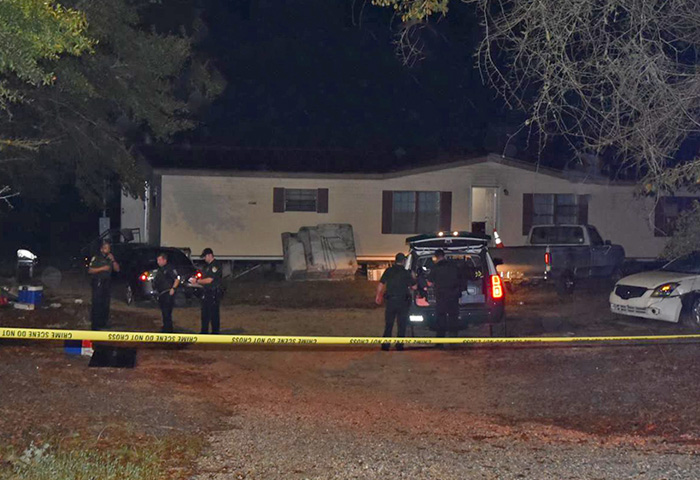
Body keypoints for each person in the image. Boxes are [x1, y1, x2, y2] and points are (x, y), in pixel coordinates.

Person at [375, 253, 416, 351]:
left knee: (389, 324)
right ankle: (399, 345)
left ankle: (385, 345)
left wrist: (378, 296)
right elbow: (414, 287)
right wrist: (413, 277)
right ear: (403, 261)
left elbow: (381, 284)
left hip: (391, 301)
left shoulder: (388, 271)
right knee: (401, 324)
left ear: (395, 260)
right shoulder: (406, 273)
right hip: (403, 302)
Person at [427, 249, 461, 347]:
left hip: (441, 297)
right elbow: (460, 278)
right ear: (444, 255)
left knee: (441, 319)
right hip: (453, 296)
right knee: (453, 318)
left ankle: (440, 342)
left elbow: (429, 283)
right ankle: (453, 342)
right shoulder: (453, 266)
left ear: (436, 257)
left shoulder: (435, 267)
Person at [88, 240, 120, 330]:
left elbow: (117, 269)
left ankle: (103, 323)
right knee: (97, 303)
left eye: (109, 248)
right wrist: (102, 268)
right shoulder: (97, 258)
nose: (107, 250)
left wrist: (113, 260)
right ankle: (95, 325)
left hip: (107, 282)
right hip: (98, 282)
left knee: (105, 303)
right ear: (101, 249)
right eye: (106, 248)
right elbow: (90, 270)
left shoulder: (110, 258)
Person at [191, 248, 223, 334]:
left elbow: (209, 280)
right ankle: (204, 331)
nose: (204, 259)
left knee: (213, 314)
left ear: (209, 255)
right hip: (207, 292)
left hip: (213, 293)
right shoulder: (207, 266)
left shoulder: (215, 265)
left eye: (205, 257)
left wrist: (197, 281)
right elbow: (204, 280)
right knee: (205, 313)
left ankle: (215, 333)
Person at [153, 252, 180, 333]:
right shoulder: (160, 269)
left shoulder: (169, 268)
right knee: (164, 313)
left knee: (167, 312)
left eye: (159, 260)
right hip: (161, 293)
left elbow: (177, 279)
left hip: (167, 293)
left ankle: (168, 330)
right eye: (157, 260)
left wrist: (173, 288)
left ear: (165, 260)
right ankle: (166, 327)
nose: (158, 262)